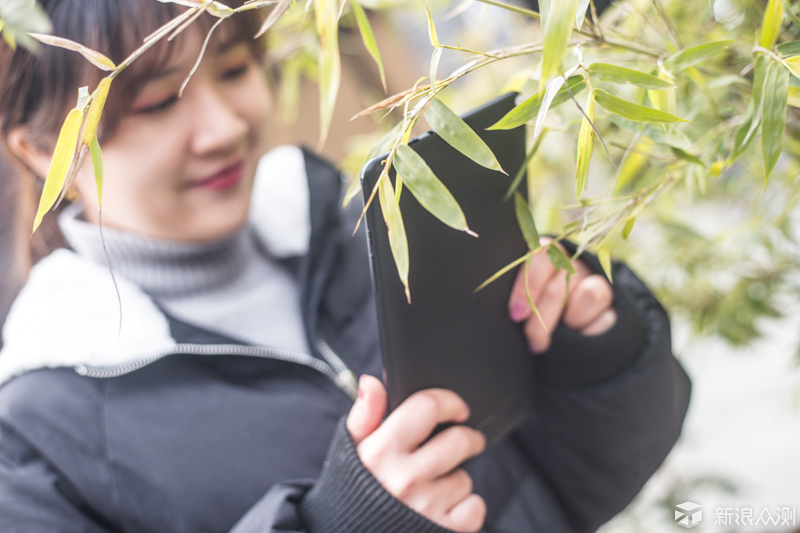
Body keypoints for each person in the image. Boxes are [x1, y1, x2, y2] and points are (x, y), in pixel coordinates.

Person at [0, 1, 691, 532]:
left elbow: (569, 487)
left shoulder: (360, 228)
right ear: (37, 147)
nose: (225, 127)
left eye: (235, 68)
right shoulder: (33, 438)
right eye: (156, 102)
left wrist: (593, 348)